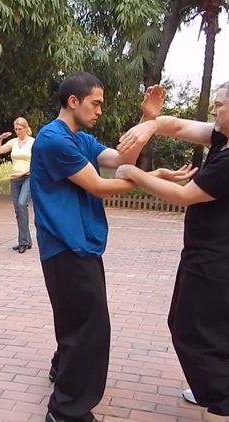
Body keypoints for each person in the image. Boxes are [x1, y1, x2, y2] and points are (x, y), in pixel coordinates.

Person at [29, 72, 196, 422]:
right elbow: (100, 186)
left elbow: (120, 160)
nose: (100, 110)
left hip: (80, 245)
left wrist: (148, 119)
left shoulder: (78, 139)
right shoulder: (52, 140)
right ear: (73, 101)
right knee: (91, 327)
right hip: (65, 245)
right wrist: (149, 180)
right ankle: (65, 410)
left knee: (78, 320)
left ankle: (62, 371)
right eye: (96, 103)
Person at [115, 81, 229, 420]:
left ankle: (221, 396)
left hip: (214, 260)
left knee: (190, 331)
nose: (213, 110)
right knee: (210, 328)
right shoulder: (222, 137)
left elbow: (183, 195)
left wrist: (134, 172)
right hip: (204, 253)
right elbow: (176, 125)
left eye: (219, 105)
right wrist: (150, 120)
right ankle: (212, 384)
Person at [0, 117, 34, 253]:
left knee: (22, 204)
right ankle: (26, 240)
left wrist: (22, 173)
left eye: (20, 129)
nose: (18, 131)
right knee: (18, 209)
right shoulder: (13, 142)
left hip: (28, 177)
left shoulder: (33, 143)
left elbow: (37, 164)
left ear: (26, 128)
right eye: (16, 129)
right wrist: (0, 138)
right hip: (15, 178)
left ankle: (23, 241)